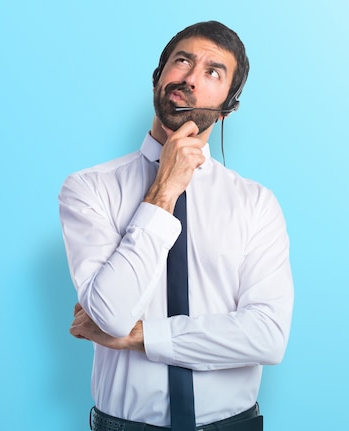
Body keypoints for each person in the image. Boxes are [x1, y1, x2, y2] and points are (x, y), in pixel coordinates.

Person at [58, 21, 293, 431]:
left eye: (212, 72)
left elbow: (267, 336)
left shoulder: (256, 202)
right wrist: (164, 189)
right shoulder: (88, 188)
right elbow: (111, 314)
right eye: (182, 61)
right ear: (158, 77)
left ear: (229, 106)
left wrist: (142, 337)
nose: (189, 78)